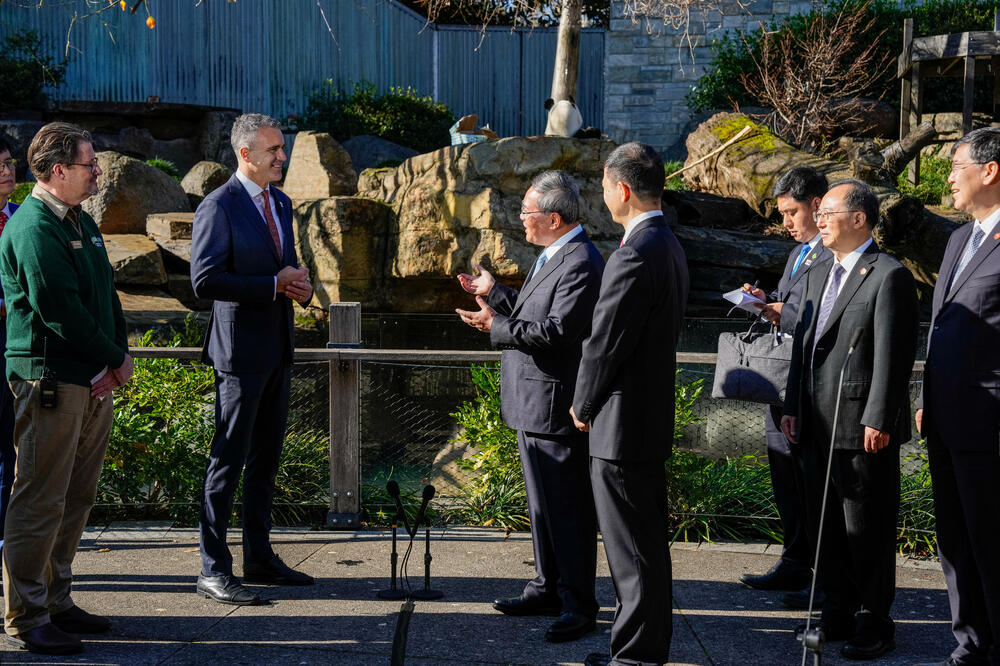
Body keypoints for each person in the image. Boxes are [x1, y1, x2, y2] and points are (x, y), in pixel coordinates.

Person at [456, 170, 604, 643]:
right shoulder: (553, 254)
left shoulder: (581, 261)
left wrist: (493, 327)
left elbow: (557, 334)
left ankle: (579, 605)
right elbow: (534, 312)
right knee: (543, 508)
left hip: (555, 406)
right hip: (533, 403)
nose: (520, 220)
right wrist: (494, 293)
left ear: (554, 219)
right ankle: (546, 587)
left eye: (527, 212)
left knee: (568, 510)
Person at [0, 122, 132, 655]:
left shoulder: (79, 220)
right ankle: (26, 613)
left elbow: (104, 297)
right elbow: (59, 310)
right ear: (59, 171)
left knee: (76, 497)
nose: (97, 172)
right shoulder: (34, 226)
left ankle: (57, 599)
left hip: (90, 379)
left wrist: (119, 357)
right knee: (40, 498)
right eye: (89, 164)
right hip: (51, 379)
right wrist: (111, 356)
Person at [781, 179, 918, 660]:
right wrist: (791, 407)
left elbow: (894, 357)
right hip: (814, 421)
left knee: (867, 526)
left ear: (859, 219)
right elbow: (803, 344)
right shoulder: (818, 271)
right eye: (817, 213)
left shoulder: (888, 275)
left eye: (828, 213)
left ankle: (875, 620)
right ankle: (836, 609)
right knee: (826, 526)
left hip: (861, 425)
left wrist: (880, 416)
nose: (818, 219)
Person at [570, 142, 689, 666]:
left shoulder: (635, 253)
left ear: (621, 188)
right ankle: (638, 645)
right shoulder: (669, 243)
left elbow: (605, 341)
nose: (602, 194)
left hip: (622, 424)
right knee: (642, 543)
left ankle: (638, 654)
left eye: (602, 185)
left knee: (631, 549)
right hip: (646, 417)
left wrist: (582, 403)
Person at [191, 113, 314, 606]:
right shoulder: (217, 207)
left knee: (266, 461)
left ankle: (259, 558)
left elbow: (279, 264)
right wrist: (272, 285)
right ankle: (212, 568)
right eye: (273, 151)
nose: (281, 157)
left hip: (278, 347)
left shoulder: (280, 202)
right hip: (239, 355)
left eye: (281, 149)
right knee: (228, 461)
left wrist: (297, 287)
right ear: (245, 154)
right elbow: (204, 281)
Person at [915, 127, 1000, 666]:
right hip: (944, 417)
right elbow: (940, 326)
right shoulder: (955, 239)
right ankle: (969, 640)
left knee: (992, 540)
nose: (947, 177)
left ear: (990, 171)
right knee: (954, 538)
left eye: (956, 166)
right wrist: (925, 396)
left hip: (989, 418)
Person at [738, 167, 832, 610]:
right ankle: (795, 562)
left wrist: (781, 311)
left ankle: (822, 577)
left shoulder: (834, 253)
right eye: (782, 214)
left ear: (817, 204)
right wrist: (761, 297)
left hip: (812, 387)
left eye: (792, 212)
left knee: (811, 483)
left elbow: (821, 319)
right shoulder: (797, 254)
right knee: (785, 480)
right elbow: (788, 299)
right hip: (781, 383)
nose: (787, 223)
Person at [0, 138, 19, 568]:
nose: (7, 172)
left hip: (18, 351)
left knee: (12, 449)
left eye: (8, 163)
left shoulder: (21, 218)